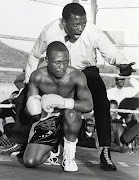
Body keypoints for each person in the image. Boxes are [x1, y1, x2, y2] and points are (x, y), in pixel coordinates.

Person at [4, 3, 135, 171]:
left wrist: (122, 64)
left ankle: (105, 150)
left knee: (102, 100)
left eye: (83, 23)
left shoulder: (92, 32)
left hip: (85, 71)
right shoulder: (50, 30)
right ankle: (20, 142)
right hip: (57, 71)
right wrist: (28, 83)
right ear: (64, 22)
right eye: (76, 24)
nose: (80, 28)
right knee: (25, 97)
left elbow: (110, 51)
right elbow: (35, 55)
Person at [22, 41, 93, 172]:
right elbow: (30, 113)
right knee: (30, 161)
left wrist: (63, 102)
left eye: (66, 62)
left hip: (70, 121)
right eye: (57, 63)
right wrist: (34, 108)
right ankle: (53, 152)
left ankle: (68, 157)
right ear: (47, 60)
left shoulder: (76, 76)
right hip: (48, 121)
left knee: (71, 113)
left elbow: (89, 104)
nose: (62, 67)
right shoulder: (37, 77)